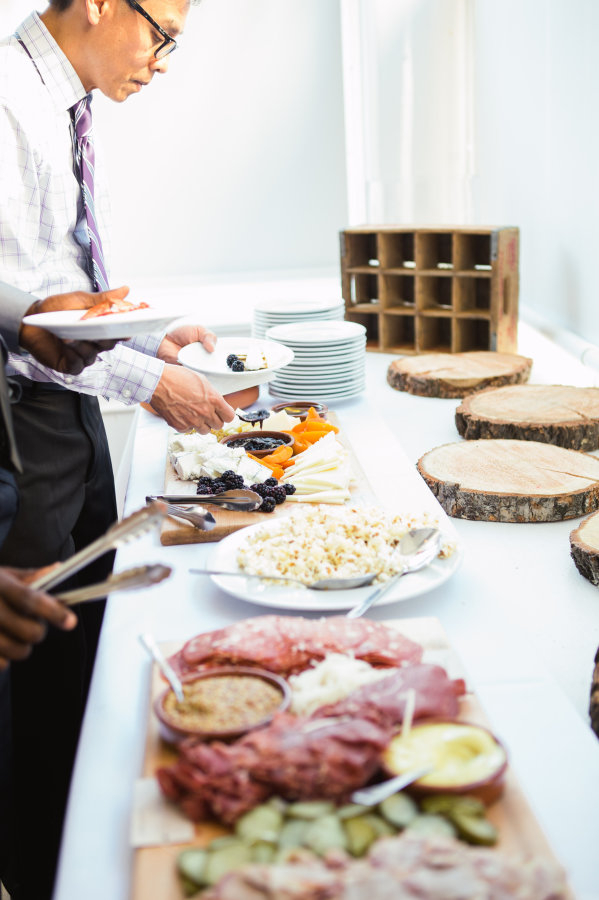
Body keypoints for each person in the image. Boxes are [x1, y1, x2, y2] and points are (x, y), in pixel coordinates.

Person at [0, 2, 234, 896]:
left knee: (84, 675)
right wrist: (151, 382)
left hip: (68, 414)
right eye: (162, 32)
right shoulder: (7, 94)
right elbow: (25, 324)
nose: (163, 59)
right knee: (38, 702)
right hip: (23, 433)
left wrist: (145, 340)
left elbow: (53, 283)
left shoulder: (59, 97)